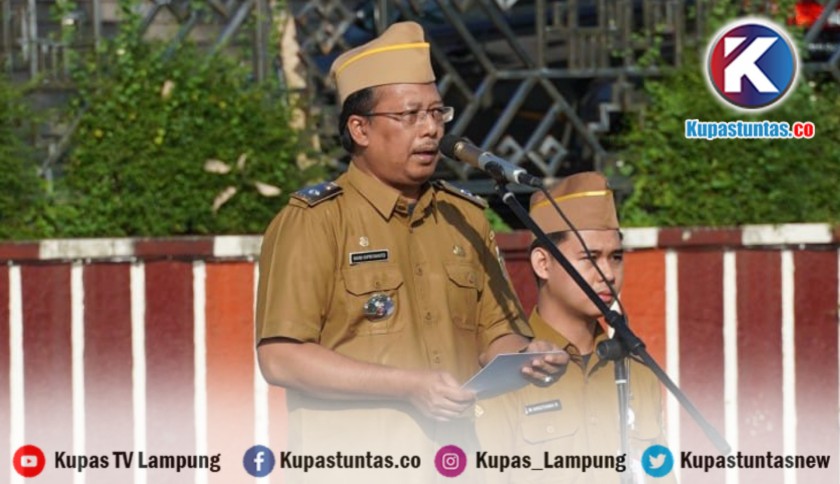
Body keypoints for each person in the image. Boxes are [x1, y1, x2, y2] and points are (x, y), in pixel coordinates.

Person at [254, 21, 566, 483]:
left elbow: (496, 335)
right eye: (410, 115)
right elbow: (281, 357)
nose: (431, 130)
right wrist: (407, 386)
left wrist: (528, 354)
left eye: (437, 113)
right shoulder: (316, 220)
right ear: (360, 128)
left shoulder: (464, 217)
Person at [476, 172, 674, 484]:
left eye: (616, 257)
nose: (608, 273)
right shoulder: (510, 372)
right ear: (543, 264)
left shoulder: (637, 371)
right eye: (590, 257)